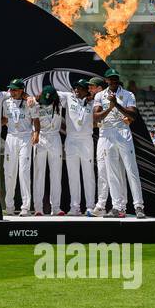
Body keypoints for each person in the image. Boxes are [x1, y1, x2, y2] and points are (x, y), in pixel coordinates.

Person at [88, 69, 145, 218]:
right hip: (107, 133)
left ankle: (139, 206)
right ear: (106, 80)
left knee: (131, 170)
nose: (113, 81)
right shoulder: (100, 95)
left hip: (122, 131)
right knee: (111, 172)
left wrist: (117, 105)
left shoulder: (128, 95)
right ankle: (117, 207)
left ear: (118, 80)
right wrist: (110, 107)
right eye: (110, 79)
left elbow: (133, 115)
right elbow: (96, 117)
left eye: (115, 79)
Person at [1, 79, 38, 217]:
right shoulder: (6, 102)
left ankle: (25, 207)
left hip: (25, 138)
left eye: (15, 89)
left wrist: (36, 133)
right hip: (11, 137)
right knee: (9, 173)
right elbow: (5, 119)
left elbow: (35, 119)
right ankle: (9, 206)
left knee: (23, 172)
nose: (12, 92)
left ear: (22, 90)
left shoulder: (30, 102)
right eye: (11, 89)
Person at [63, 76, 96, 216]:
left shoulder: (93, 102)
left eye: (80, 88)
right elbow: (51, 92)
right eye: (76, 87)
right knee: (73, 175)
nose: (77, 90)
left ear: (86, 90)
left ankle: (90, 206)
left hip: (86, 140)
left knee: (88, 174)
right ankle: (74, 207)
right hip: (71, 140)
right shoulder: (68, 97)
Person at [33, 84, 64, 216]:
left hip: (55, 138)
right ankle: (38, 208)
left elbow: (74, 95)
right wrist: (34, 98)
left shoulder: (61, 100)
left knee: (56, 175)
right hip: (41, 138)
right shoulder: (36, 104)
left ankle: (56, 208)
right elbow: (34, 119)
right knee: (39, 174)